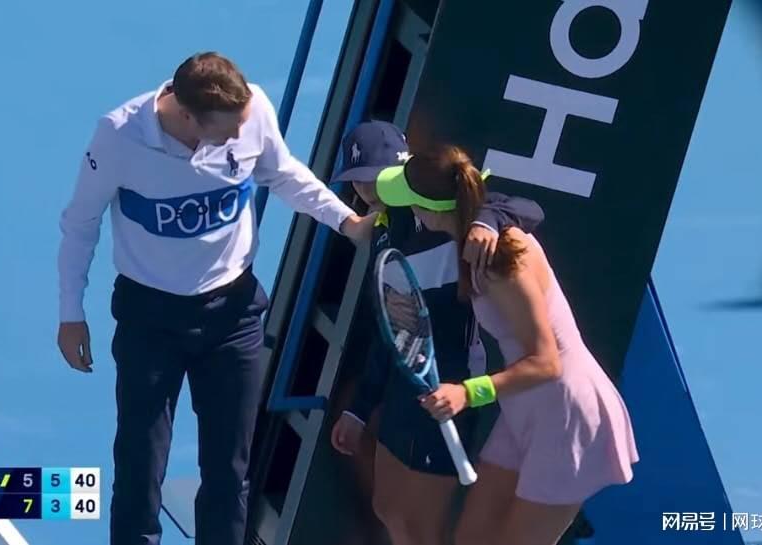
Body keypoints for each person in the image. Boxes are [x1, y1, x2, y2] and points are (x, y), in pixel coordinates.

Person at [55, 52, 375, 545]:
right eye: (227, 132)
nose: (237, 138)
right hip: (149, 321)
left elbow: (282, 174)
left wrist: (346, 222)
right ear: (188, 118)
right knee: (140, 466)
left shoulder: (251, 110)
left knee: (229, 470)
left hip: (234, 315)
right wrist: (70, 313)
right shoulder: (118, 136)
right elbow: (81, 222)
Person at [376, 144, 640, 545]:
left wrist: (468, 393)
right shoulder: (478, 228)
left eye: (411, 201)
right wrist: (487, 219)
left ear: (428, 210)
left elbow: (547, 362)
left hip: (565, 412)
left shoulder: (501, 261)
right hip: (525, 407)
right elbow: (512, 205)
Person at [327, 121, 545, 545]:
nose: (364, 190)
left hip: (451, 389)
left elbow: (529, 209)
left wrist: (487, 222)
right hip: (402, 393)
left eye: (371, 177)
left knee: (421, 527)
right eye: (356, 180)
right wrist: (358, 410)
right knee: (388, 508)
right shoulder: (384, 233)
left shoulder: (443, 207)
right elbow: (390, 329)